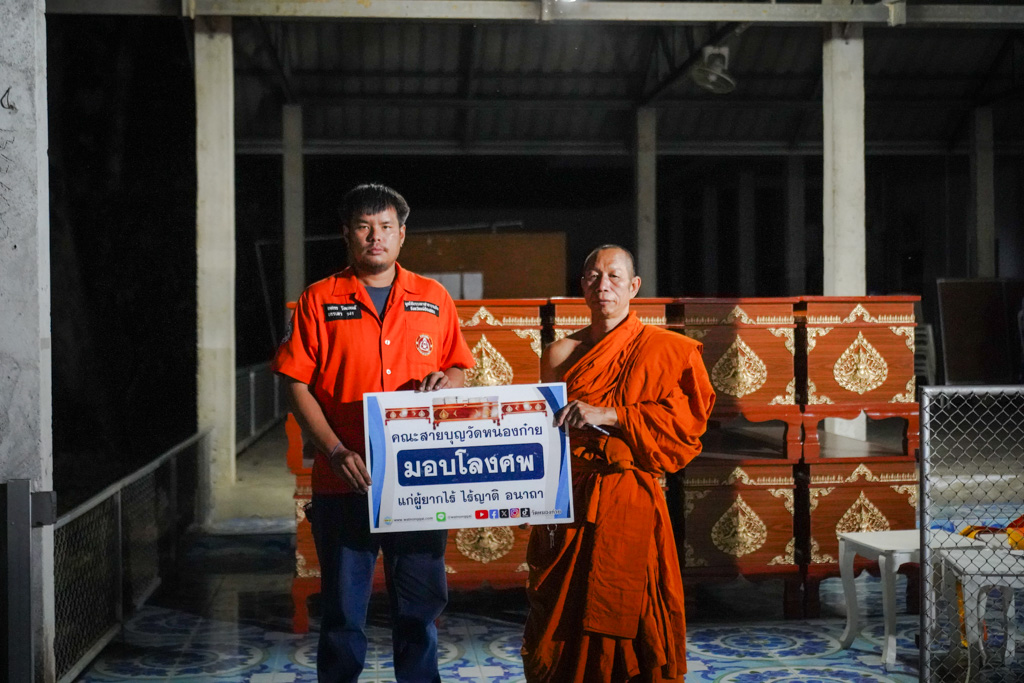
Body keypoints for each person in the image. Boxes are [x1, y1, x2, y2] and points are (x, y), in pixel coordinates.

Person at [273, 183, 475, 683]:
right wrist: (335, 450)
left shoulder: (433, 298)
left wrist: (445, 381)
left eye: (386, 227)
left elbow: (458, 367)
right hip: (346, 480)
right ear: (347, 233)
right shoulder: (319, 300)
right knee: (343, 614)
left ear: (402, 234)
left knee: (420, 611)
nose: (375, 236)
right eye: (364, 227)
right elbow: (296, 384)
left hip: (418, 484)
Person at [521, 245, 715, 683]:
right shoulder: (559, 353)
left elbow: (685, 427)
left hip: (629, 496)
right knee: (561, 620)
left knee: (631, 614)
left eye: (614, 276)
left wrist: (611, 414)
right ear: (582, 285)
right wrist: (528, 494)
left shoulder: (667, 349)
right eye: (593, 276)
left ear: (634, 286)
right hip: (572, 498)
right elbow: (547, 435)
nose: (603, 285)